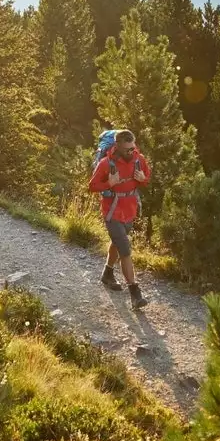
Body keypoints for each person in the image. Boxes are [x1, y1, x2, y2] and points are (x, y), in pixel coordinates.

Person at [86, 128, 150, 309]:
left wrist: (143, 179)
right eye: (127, 149)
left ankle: (107, 273)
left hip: (129, 210)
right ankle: (135, 293)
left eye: (133, 147)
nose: (132, 152)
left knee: (117, 242)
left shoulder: (139, 159)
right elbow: (92, 186)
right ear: (117, 147)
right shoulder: (106, 164)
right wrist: (109, 184)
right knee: (125, 250)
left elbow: (146, 179)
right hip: (112, 210)